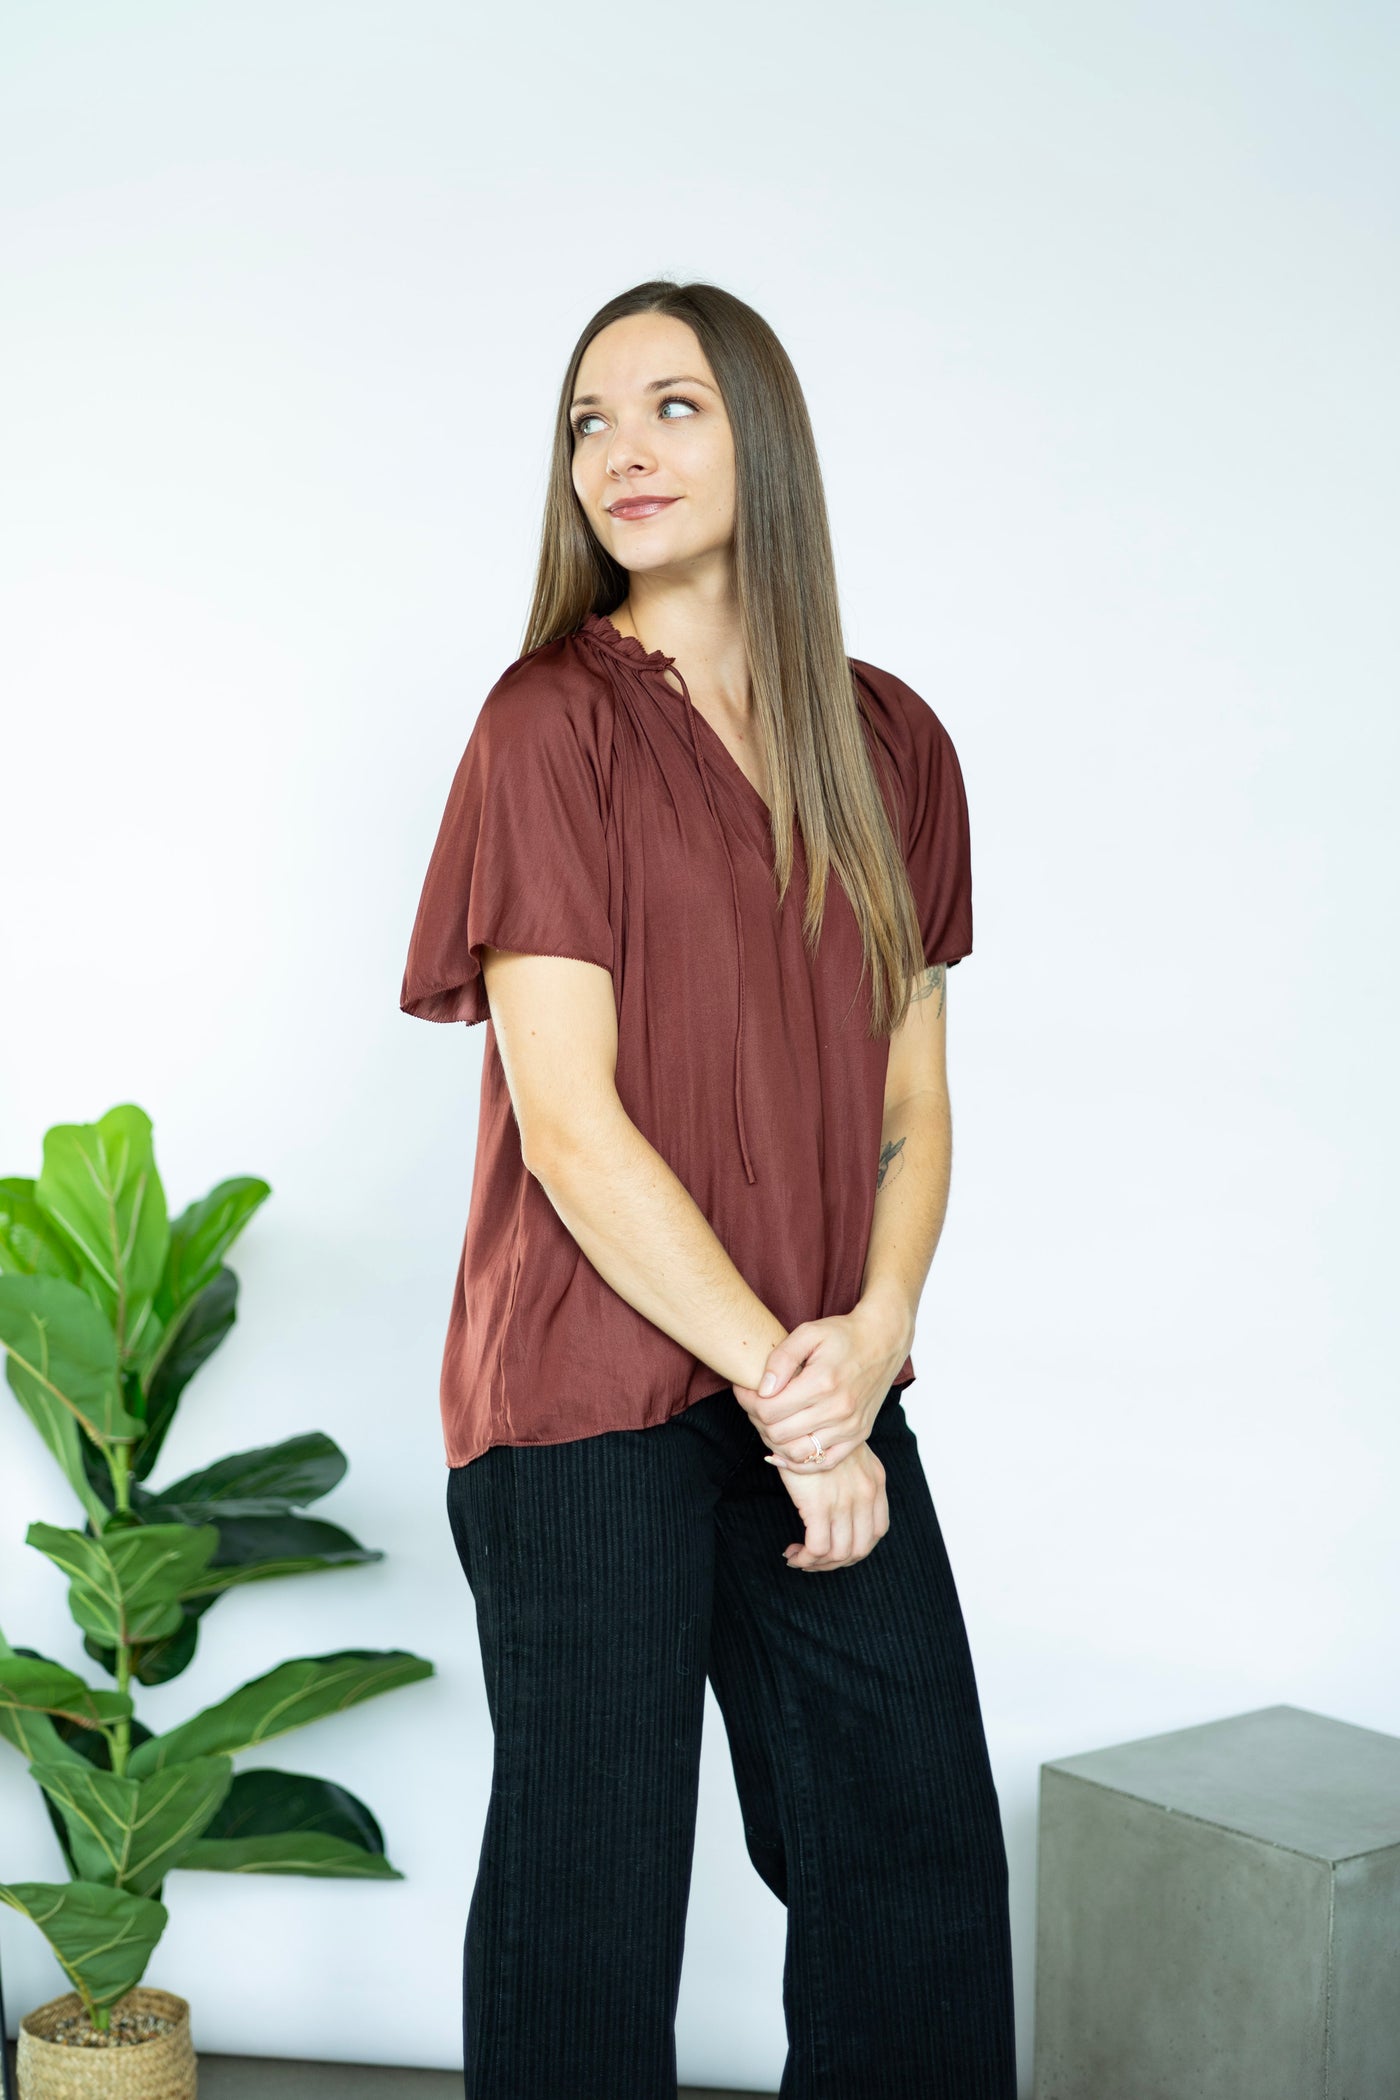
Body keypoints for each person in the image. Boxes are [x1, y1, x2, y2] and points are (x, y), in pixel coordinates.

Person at [400, 278, 1017, 2100]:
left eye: (671, 406)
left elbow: (918, 1095)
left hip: (828, 1372)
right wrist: (792, 1398)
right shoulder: (549, 725)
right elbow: (570, 1124)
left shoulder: (893, 744)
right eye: (591, 419)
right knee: (592, 1912)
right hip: (591, 1397)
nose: (623, 453)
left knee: (915, 1864)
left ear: (766, 437)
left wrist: (877, 1341)